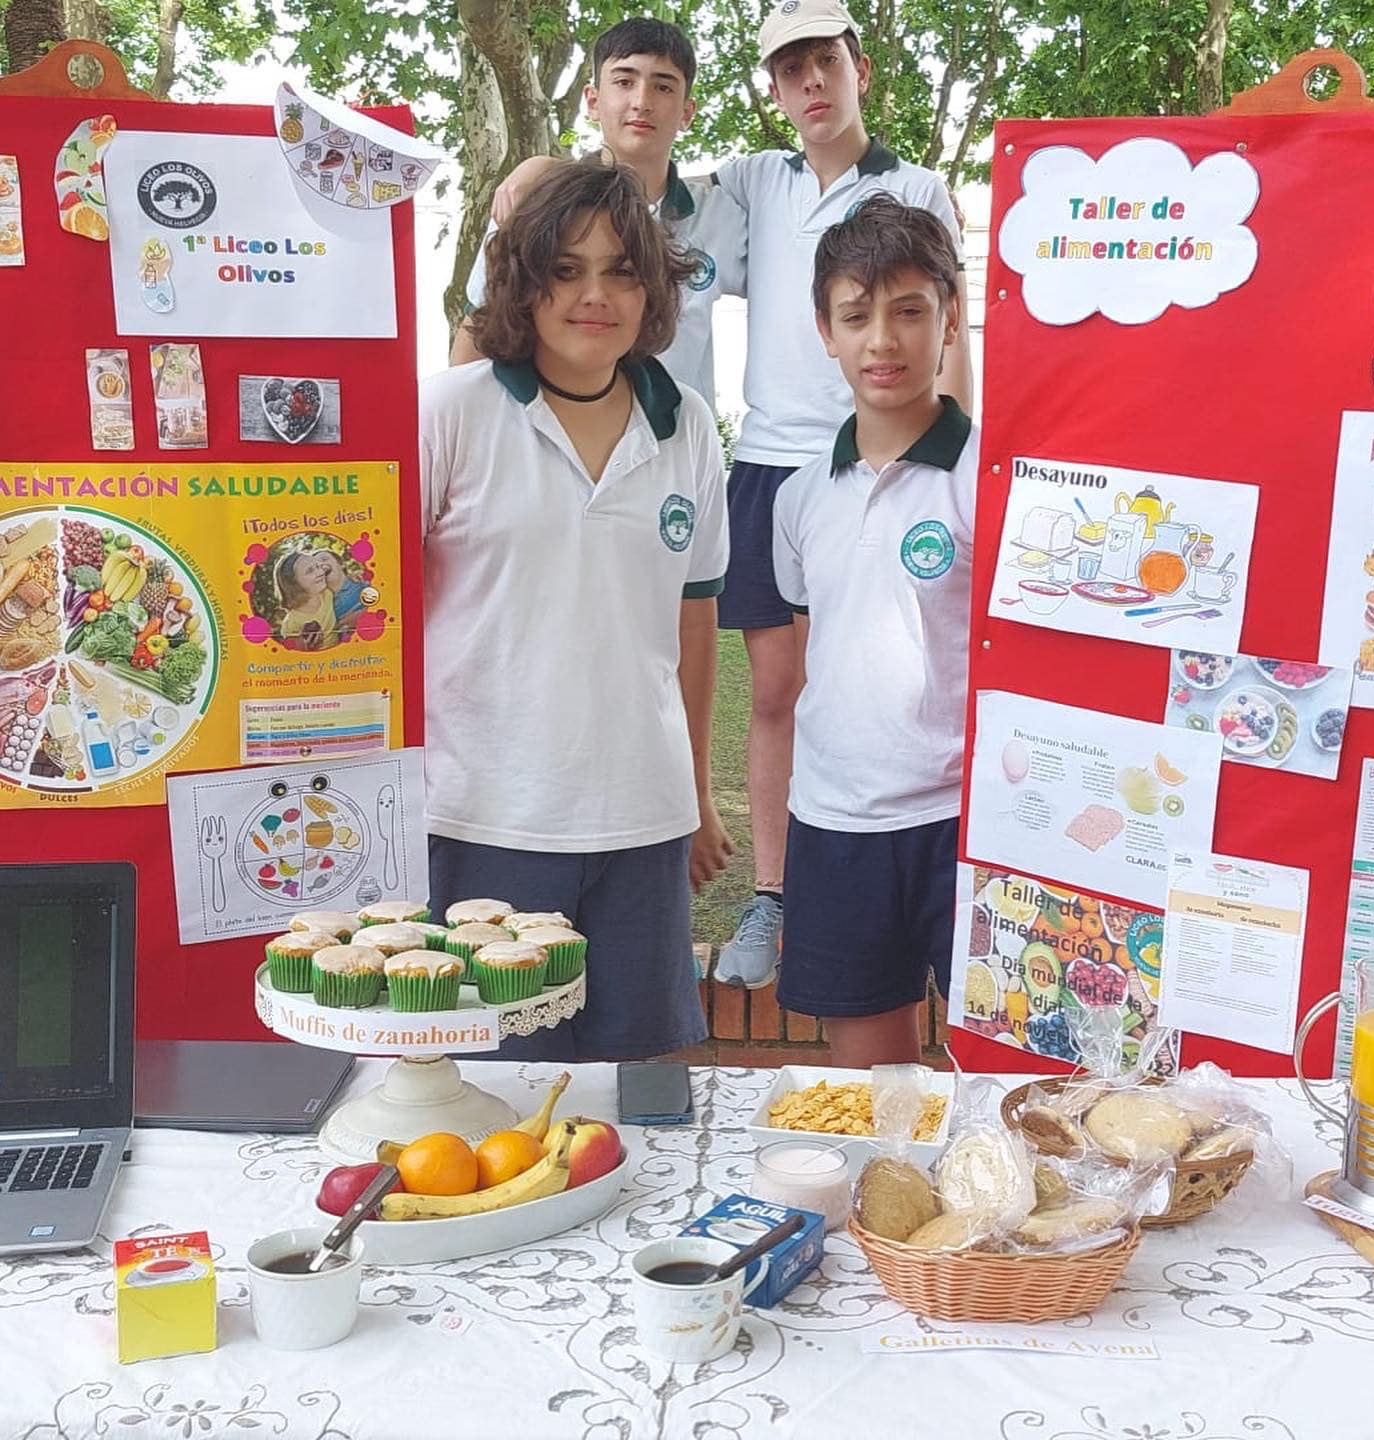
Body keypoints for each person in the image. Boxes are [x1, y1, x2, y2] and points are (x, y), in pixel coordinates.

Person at [421, 161, 733, 1061]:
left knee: (636, 1105)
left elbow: (693, 624)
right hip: (485, 821)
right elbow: (378, 620)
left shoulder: (692, 429)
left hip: (643, 823)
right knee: (493, 1110)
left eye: (622, 269)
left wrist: (699, 796)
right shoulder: (450, 414)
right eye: (565, 269)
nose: (595, 294)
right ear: (522, 281)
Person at [709, 0, 973, 991]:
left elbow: (956, 324)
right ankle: (777, 890)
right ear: (773, 91)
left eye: (825, 60)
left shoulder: (918, 186)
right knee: (784, 692)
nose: (810, 82)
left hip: (905, 455)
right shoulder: (750, 183)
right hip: (780, 466)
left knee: (914, 665)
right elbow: (640, 199)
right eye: (789, 70)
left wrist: (957, 449)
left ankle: (941, 845)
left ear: (859, 66)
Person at [770, 193, 976, 1066]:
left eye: (908, 312)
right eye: (857, 317)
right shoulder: (798, 496)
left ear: (951, 319)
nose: (883, 342)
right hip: (837, 822)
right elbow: (816, 643)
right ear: (826, 331)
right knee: (874, 1092)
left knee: (1001, 1076)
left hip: (967, 822)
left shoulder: (993, 482)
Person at [451, 17, 745, 413]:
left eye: (662, 86)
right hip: (547, 446)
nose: (642, 101)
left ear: (687, 111)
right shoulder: (534, 202)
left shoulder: (721, 214)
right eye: (624, 82)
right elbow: (476, 337)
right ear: (592, 100)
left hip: (673, 453)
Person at [273, 549, 338, 650]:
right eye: (310, 571)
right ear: (294, 584)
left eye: (318, 566)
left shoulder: (327, 593)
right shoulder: (292, 624)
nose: (321, 572)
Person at [312, 547, 364, 633]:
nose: (320, 564)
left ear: (341, 564)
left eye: (324, 559)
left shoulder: (362, 582)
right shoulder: (321, 606)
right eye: (315, 566)